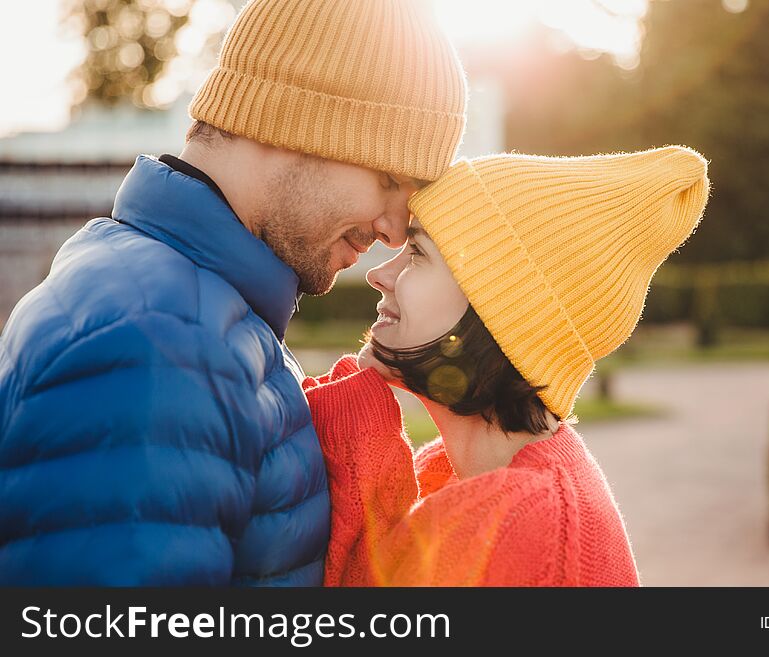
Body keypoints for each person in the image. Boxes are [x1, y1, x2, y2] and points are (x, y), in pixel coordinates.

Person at [0, 0, 466, 585]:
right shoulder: (158, 338)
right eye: (390, 180)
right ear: (295, 121)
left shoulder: (196, 310)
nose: (395, 229)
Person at [303, 146, 711, 586]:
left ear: (501, 311)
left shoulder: (532, 530)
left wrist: (355, 437)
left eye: (418, 253)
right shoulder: (464, 480)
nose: (378, 274)